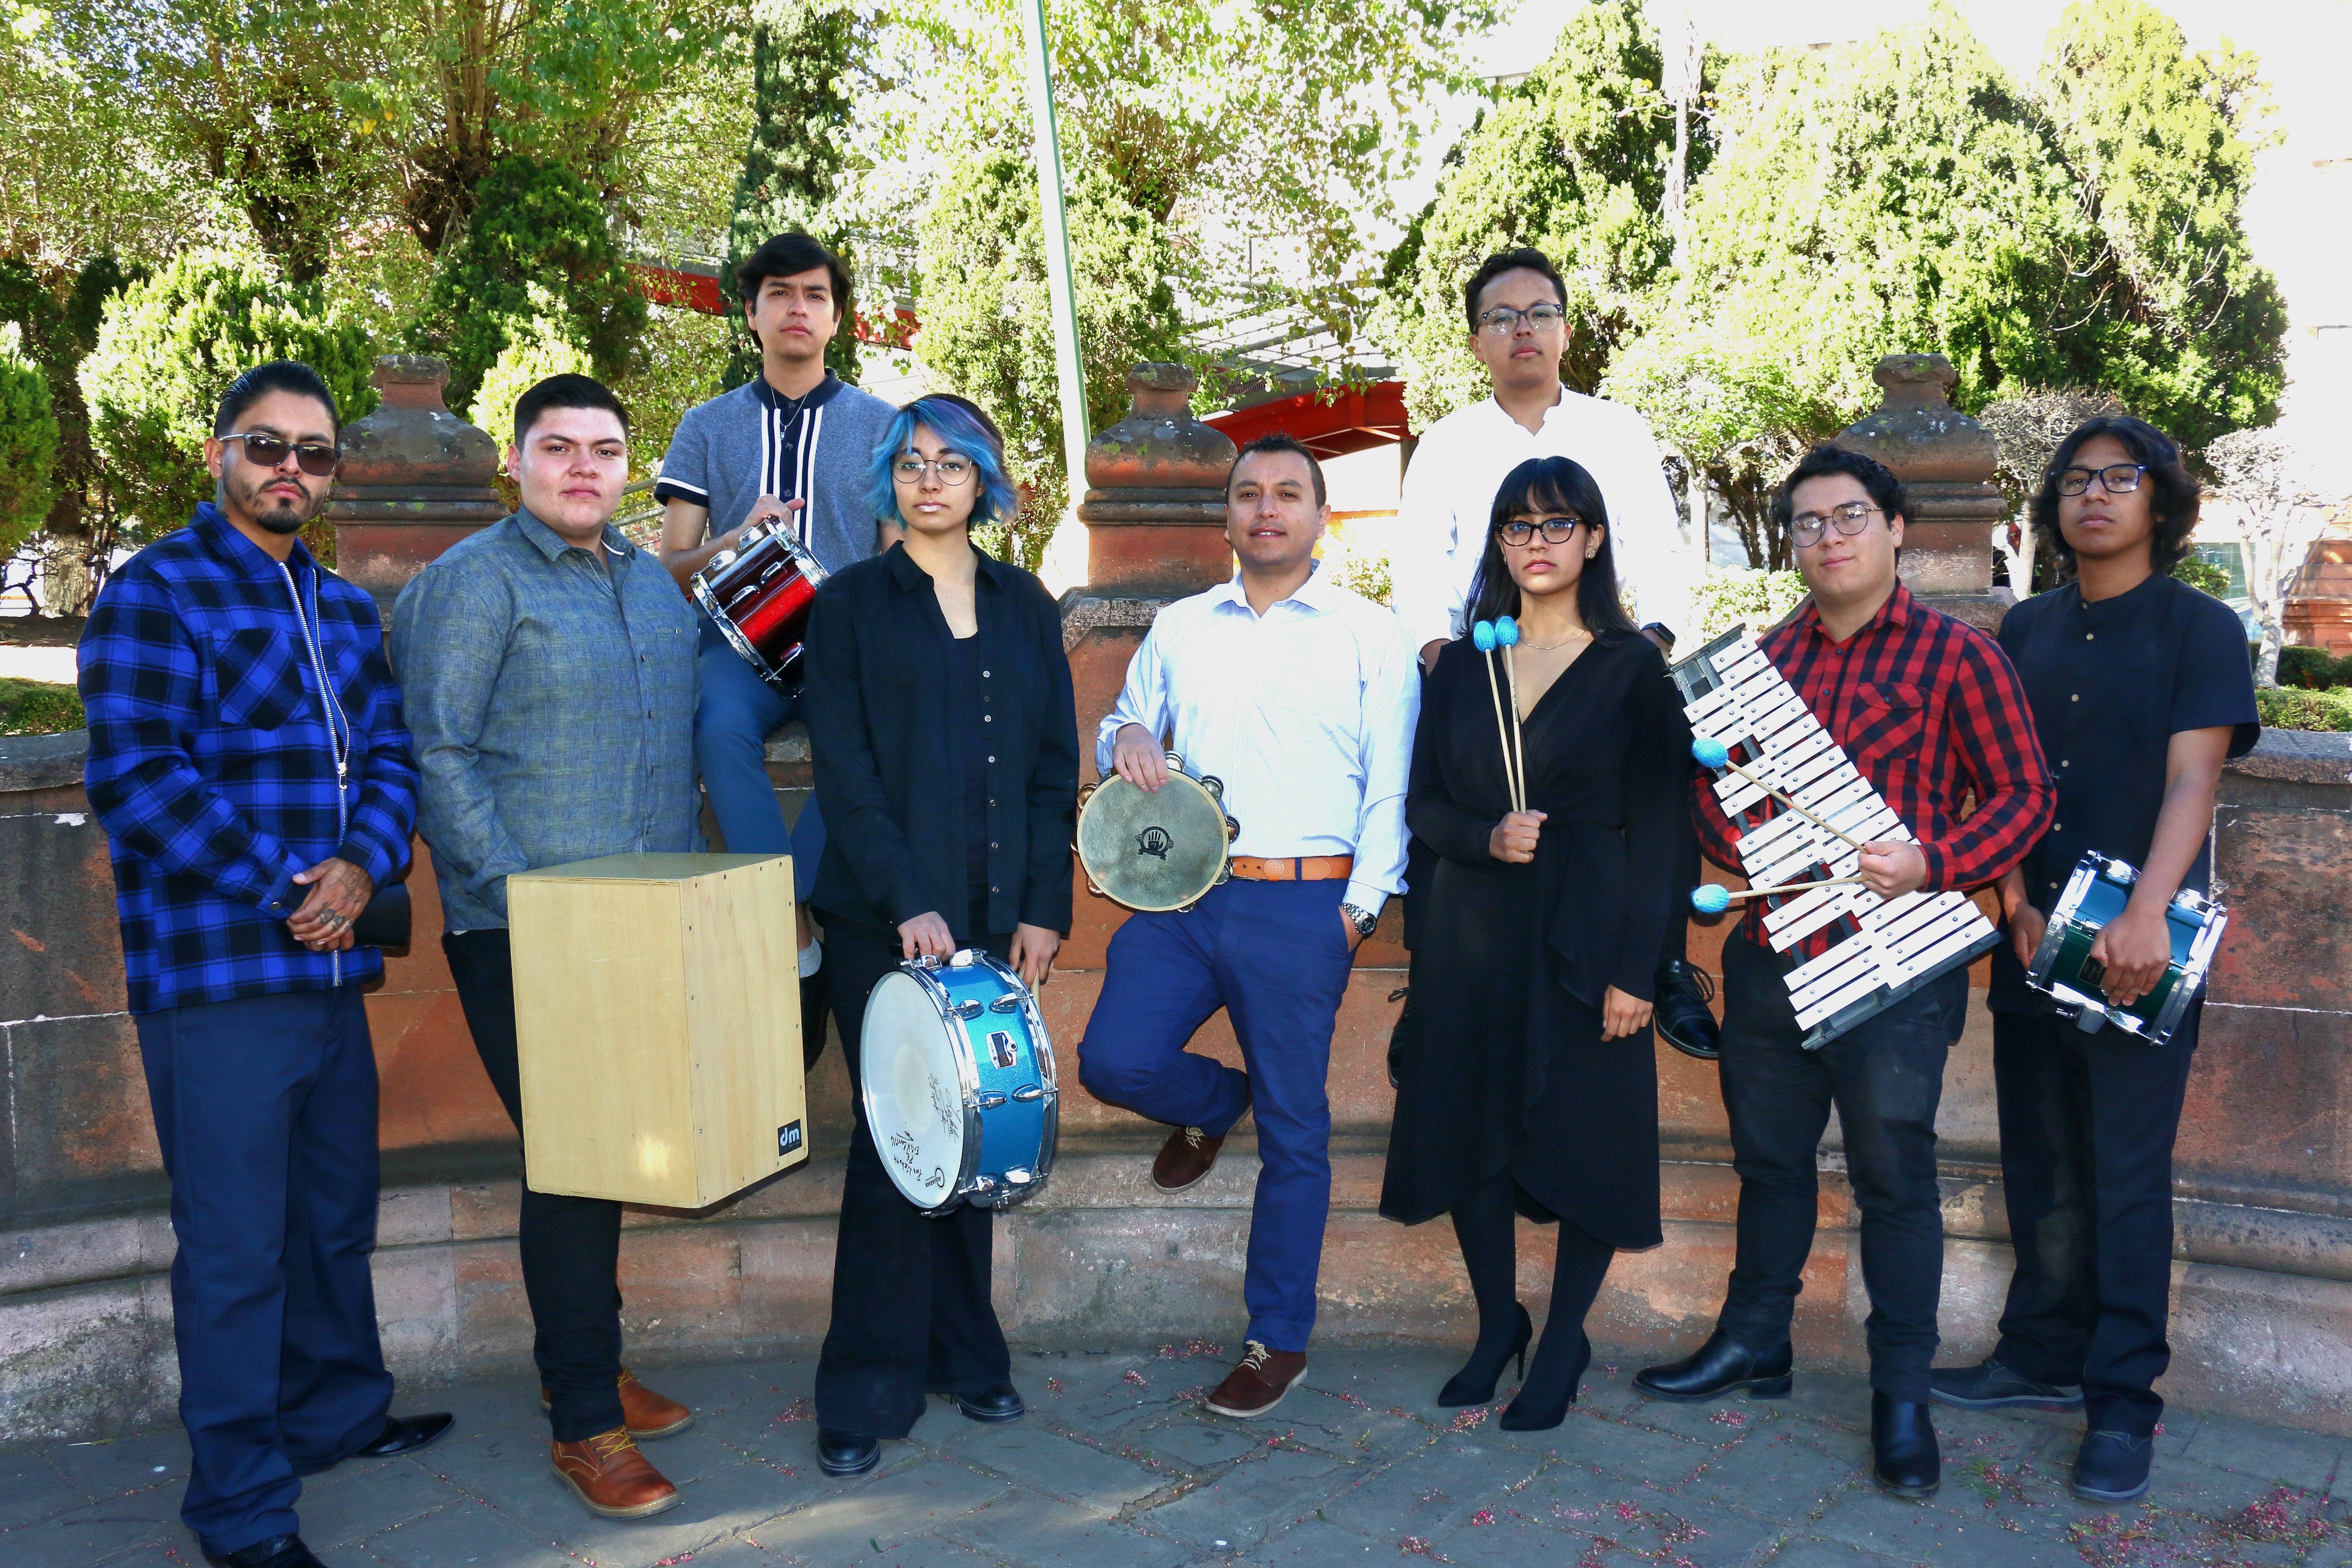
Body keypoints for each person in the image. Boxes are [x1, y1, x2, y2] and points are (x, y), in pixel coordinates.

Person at [80, 361, 449, 1568]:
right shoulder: (157, 594)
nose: (291, 468)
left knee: (331, 1224)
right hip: (218, 978)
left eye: (314, 453)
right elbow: (138, 779)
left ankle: (335, 1419)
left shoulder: (344, 609)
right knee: (237, 1254)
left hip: (332, 974)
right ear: (218, 455)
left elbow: (392, 755)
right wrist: (289, 889)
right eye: (266, 446)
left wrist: (359, 864)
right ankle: (241, 1511)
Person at [1633, 445, 2053, 1501]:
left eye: (1850, 515)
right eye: (1810, 521)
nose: (1829, 536)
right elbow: (1710, 809)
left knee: (1895, 1182)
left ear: (1896, 529)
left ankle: (1901, 1397)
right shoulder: (1762, 665)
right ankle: (1755, 1343)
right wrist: (1722, 812)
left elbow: (2023, 796)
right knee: (1769, 1167)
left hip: (1900, 968)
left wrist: (1936, 862)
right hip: (1776, 954)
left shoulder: (1963, 658)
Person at [1930, 417, 2257, 1504]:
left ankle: (2123, 1402)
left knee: (2123, 1176)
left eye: (2119, 480)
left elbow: (2192, 784)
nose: (2094, 497)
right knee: (2043, 1162)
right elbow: (1994, 778)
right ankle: (2040, 1357)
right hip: (2032, 930)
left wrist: (2149, 916)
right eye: (2075, 482)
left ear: (2161, 502)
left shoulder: (2200, 627)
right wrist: (2012, 900)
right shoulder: (2024, 628)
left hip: (2139, 942)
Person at [392, 374, 701, 1522]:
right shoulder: (472, 583)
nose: (583, 466)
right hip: (526, 931)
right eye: (558, 447)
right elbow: (440, 752)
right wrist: (526, 902)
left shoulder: (653, 591)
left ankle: (589, 1366)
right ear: (515, 464)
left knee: (608, 1153)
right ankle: (584, 1422)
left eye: (605, 449)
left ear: (629, 467)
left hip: (641, 922)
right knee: (573, 1163)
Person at [1078, 433, 1419, 1419]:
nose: (1266, 509)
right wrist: (1128, 732)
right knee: (1113, 1058)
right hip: (1183, 897)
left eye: (1287, 494)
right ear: (1225, 517)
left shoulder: (1371, 633)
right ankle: (1209, 1098)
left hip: (1304, 903)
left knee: (1298, 1130)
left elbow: (1393, 781)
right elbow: (1122, 728)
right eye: (1247, 495)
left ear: (1321, 517)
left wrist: (1356, 913)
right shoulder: (1182, 627)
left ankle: (1279, 1341)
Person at [1380, 456, 1693, 1430]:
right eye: (1519, 527)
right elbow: (1423, 801)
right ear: (1497, 544)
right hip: (1473, 927)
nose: (1538, 544)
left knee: (1587, 1135)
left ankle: (1563, 1339)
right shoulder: (1462, 662)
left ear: (1595, 539)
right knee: (1470, 1134)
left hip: (1589, 931)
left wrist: (1641, 966)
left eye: (1559, 526)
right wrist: (1484, 837)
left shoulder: (1634, 666)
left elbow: (1665, 830)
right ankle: (1494, 1325)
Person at [801, 393, 1079, 1479]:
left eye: (952, 465)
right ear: (889, 481)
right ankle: (864, 1393)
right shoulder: (851, 606)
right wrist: (909, 898)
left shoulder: (1024, 602)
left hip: (999, 915)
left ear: (983, 484)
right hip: (884, 917)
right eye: (912, 464)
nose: (930, 481)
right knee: (898, 1150)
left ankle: (967, 1357)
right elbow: (848, 773)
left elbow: (1055, 766)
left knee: (981, 1137)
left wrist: (1045, 907)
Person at [1389, 245, 1717, 1060]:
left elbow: (1658, 553)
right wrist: (1443, 661)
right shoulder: (1447, 443)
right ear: (1477, 342)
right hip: (1486, 666)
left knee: (1656, 784)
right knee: (1445, 802)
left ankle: (1663, 965)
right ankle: (1430, 983)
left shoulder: (1617, 429)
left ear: (1565, 331)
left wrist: (1639, 656)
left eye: (1538, 314)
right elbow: (1420, 563)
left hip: (1602, 664)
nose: (1522, 331)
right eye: (1501, 318)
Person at [654, 231, 900, 1044]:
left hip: (847, 648)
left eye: (816, 296)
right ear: (751, 315)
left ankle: (786, 913)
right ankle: (793, 929)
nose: (799, 309)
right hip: (738, 647)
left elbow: (898, 561)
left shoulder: (881, 425)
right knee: (716, 724)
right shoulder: (706, 426)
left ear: (837, 319)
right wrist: (733, 538)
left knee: (865, 741)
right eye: (782, 295)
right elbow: (672, 567)